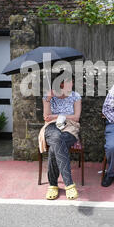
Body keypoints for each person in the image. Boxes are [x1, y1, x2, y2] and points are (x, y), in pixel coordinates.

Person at [38, 71, 82, 200]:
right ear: (61, 84)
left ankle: (53, 185)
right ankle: (69, 184)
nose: (72, 84)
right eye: (69, 82)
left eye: (72, 81)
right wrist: (48, 99)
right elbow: (47, 118)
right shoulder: (48, 96)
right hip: (51, 126)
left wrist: (58, 116)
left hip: (70, 126)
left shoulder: (75, 96)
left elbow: (76, 118)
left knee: (54, 146)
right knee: (56, 138)